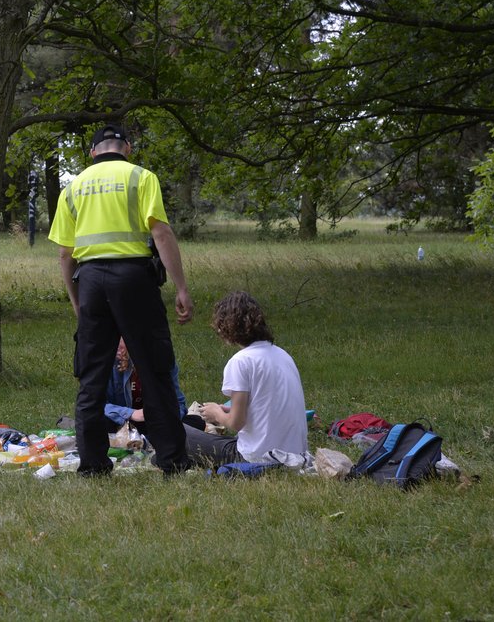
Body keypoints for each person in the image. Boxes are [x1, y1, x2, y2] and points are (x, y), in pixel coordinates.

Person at [49, 123, 194, 476]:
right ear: (127, 147)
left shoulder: (73, 186)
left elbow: (66, 255)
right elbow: (160, 232)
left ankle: (93, 464)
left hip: (92, 281)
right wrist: (181, 287)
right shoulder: (141, 178)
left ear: (92, 152)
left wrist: (77, 301)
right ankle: (172, 459)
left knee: (92, 375)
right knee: (154, 368)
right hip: (135, 279)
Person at [185, 291, 308, 467]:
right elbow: (266, 408)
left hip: (256, 457)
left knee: (174, 430)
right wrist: (227, 410)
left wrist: (217, 414)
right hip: (294, 453)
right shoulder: (282, 355)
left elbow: (236, 423)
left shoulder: (240, 361)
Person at [103, 337, 187, 430]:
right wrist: (131, 414)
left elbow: (179, 403)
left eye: (122, 338)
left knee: (195, 421)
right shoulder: (108, 361)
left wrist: (165, 416)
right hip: (120, 421)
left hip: (154, 423)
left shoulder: (163, 361)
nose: (118, 345)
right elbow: (95, 404)